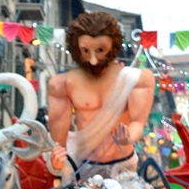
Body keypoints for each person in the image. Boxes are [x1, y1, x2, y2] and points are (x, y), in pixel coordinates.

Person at [47, 12, 155, 180]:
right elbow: (58, 142)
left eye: (100, 50)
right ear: (76, 48)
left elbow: (137, 122)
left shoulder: (137, 80)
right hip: (83, 165)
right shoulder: (62, 84)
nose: (93, 60)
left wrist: (129, 138)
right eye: (86, 51)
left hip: (122, 165)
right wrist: (56, 162)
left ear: (113, 46)